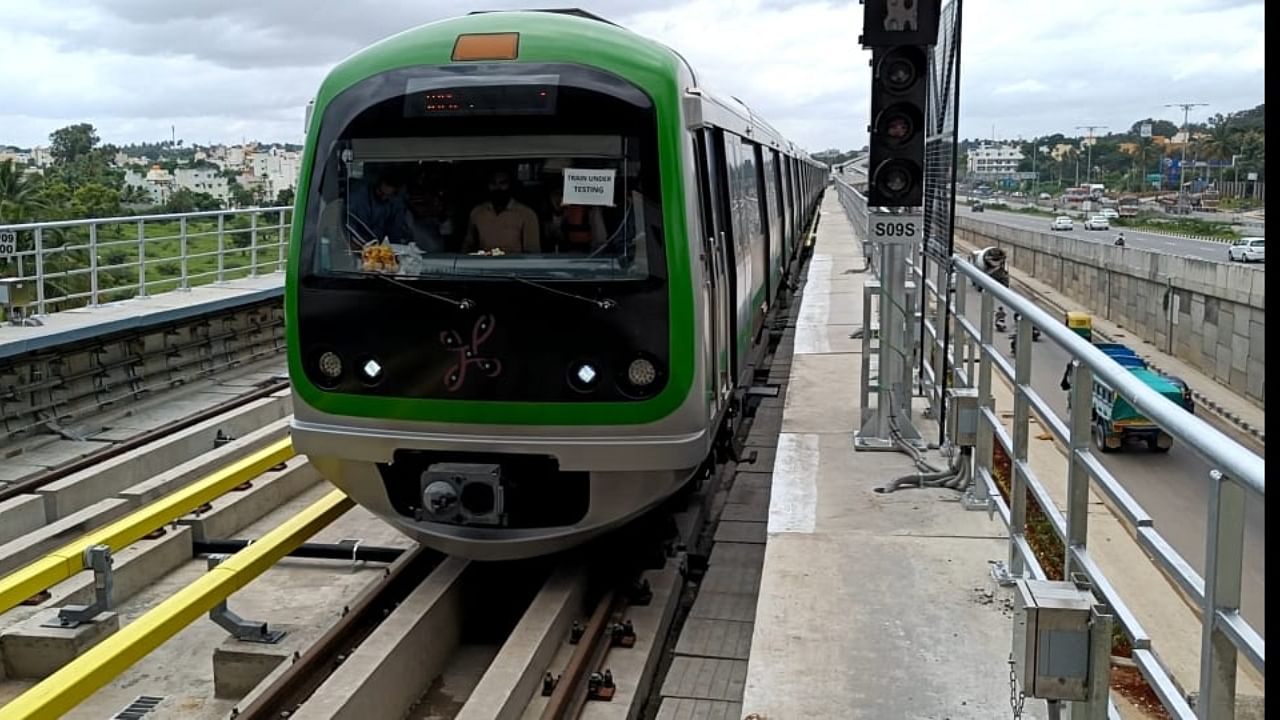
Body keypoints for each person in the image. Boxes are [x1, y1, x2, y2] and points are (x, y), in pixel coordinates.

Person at [464, 169, 540, 254]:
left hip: (514, 266)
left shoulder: (526, 214)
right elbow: (468, 247)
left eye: (503, 183)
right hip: (484, 264)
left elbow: (532, 253)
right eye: (493, 183)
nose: (498, 188)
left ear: (510, 185)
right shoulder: (477, 212)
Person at [347, 169, 410, 243]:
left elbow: (396, 228)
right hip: (361, 241)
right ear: (376, 185)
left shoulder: (396, 201)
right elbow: (351, 226)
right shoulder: (358, 198)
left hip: (383, 244)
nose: (383, 198)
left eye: (388, 195)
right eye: (381, 193)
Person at [544, 185, 607, 253]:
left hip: (588, 254)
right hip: (564, 254)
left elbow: (600, 241)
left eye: (559, 194)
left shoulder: (592, 210)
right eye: (555, 194)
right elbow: (552, 236)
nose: (557, 198)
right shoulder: (553, 215)